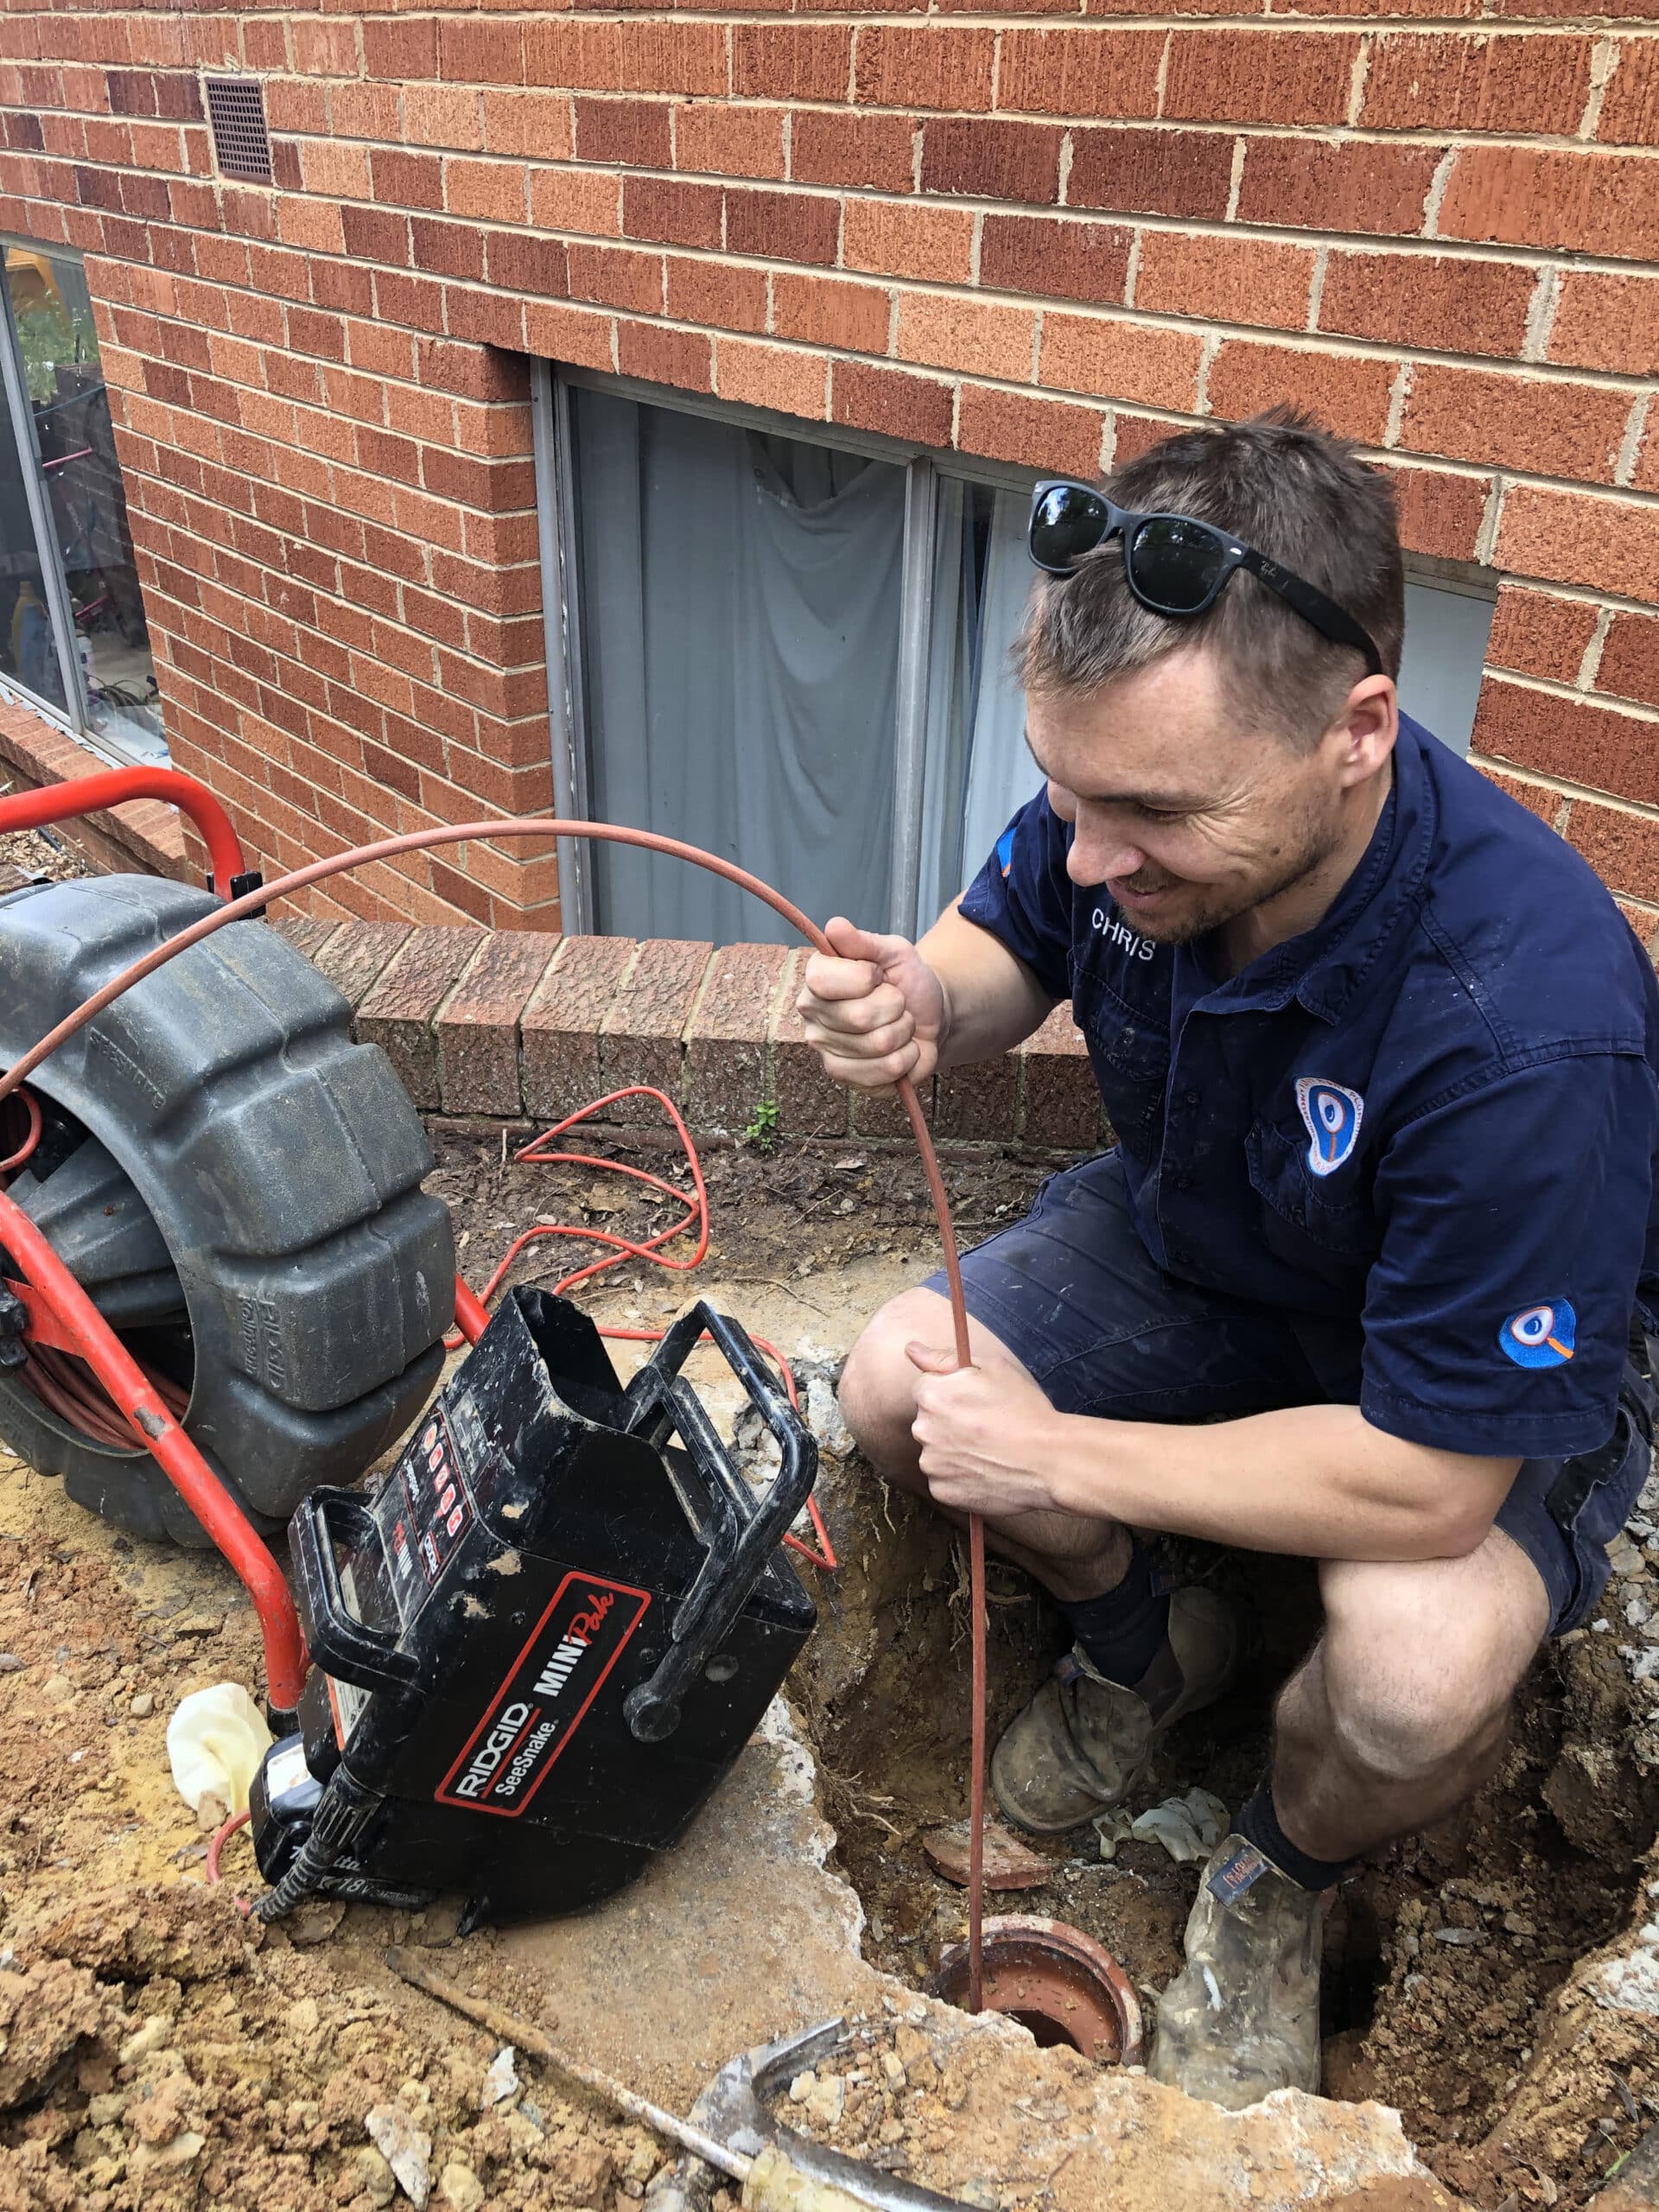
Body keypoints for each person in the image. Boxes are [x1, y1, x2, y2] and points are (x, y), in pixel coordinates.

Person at [795, 410, 1659, 2109]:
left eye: (1148, 816)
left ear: (1355, 732)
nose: (1090, 850)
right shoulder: (1122, 791)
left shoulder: (1527, 1027)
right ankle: (1143, 1653)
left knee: (1414, 1671)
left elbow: (1424, 1486)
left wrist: (1055, 1453)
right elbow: (1004, 951)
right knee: (902, 1381)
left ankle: (1274, 1875)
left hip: (1446, 1366)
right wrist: (921, 999)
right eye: (1065, 791)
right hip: (1207, 1238)